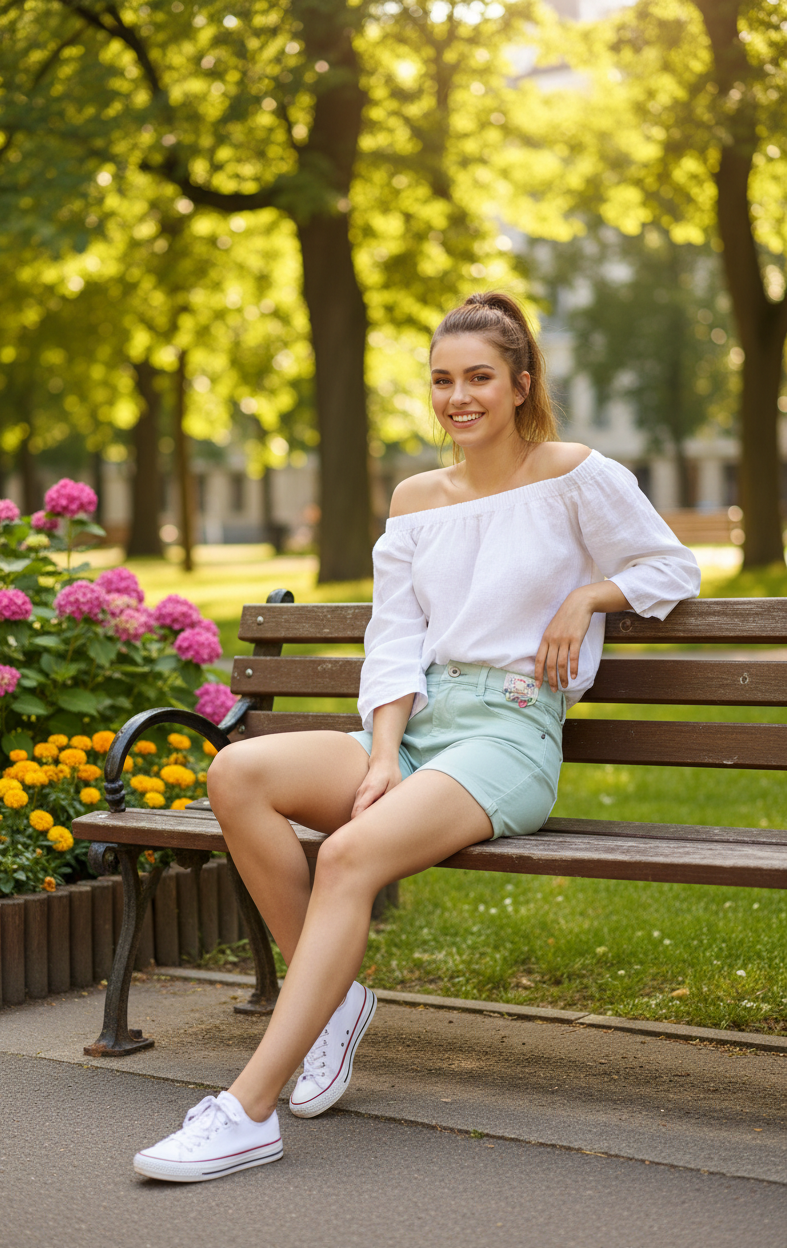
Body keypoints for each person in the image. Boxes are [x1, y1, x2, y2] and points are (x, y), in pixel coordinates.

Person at [134, 291, 701, 1182]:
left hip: (508, 734)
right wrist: (383, 755)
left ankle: (247, 1110)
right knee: (238, 772)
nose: (457, 398)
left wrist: (588, 597)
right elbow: (394, 639)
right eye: (442, 381)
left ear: (521, 384)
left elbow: (672, 566)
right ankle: (331, 1003)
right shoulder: (415, 499)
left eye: (479, 378)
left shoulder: (575, 474)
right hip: (417, 724)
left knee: (348, 855)